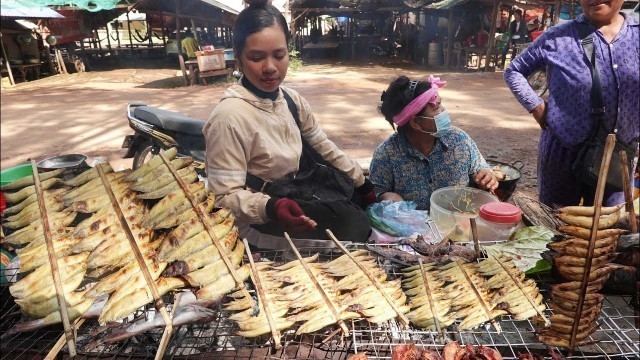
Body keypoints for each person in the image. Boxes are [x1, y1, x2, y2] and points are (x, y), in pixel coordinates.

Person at [203, 0, 375, 249]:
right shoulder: (228, 118)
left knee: (357, 199)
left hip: (297, 190)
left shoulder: (291, 100)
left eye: (279, 55)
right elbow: (222, 199)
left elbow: (323, 146)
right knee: (354, 226)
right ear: (239, 57)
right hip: (258, 221)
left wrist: (362, 182)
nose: (270, 68)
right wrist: (271, 208)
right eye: (256, 57)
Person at [504, 0, 639, 207]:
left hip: (617, 158)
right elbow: (514, 71)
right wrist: (536, 106)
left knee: (611, 229)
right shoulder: (558, 36)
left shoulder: (637, 37)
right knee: (556, 224)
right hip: (563, 153)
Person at [369, 75, 498, 211]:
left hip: (461, 224)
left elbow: (481, 168)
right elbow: (374, 196)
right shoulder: (387, 155)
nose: (443, 111)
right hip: (414, 230)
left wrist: (486, 176)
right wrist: (386, 198)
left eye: (440, 104)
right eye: (436, 109)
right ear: (416, 122)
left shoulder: (459, 140)